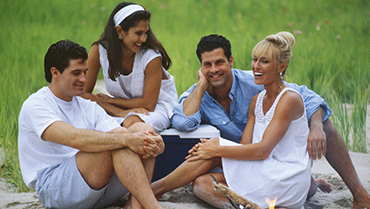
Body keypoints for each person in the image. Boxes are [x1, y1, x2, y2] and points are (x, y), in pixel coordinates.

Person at [169, 34, 370, 208]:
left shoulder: (256, 82)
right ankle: (295, 191)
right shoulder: (199, 94)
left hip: (271, 156)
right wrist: (201, 85)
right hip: (250, 159)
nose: (214, 70)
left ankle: (359, 193)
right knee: (202, 183)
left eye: (219, 62)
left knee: (324, 124)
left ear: (230, 61)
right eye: (207, 65)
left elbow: (309, 98)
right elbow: (183, 123)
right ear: (201, 68)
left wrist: (316, 126)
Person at [153, 31, 311, 208]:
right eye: (254, 59)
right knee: (203, 184)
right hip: (264, 168)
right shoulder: (257, 100)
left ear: (282, 66)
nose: (256, 66)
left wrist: (215, 149)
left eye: (264, 61)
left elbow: (263, 150)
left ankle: (153, 190)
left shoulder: (289, 98)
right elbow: (243, 148)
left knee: (214, 147)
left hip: (286, 175)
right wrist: (213, 149)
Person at [18, 40, 164, 209]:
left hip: (98, 189)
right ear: (55, 72)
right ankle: (153, 207)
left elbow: (121, 133)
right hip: (56, 189)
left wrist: (151, 142)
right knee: (117, 142)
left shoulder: (87, 105)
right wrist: (129, 140)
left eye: (85, 72)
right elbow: (74, 138)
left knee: (143, 129)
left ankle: (136, 206)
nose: (84, 79)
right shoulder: (36, 105)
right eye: (76, 73)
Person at [83, 2, 178, 132]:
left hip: (156, 108)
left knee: (133, 124)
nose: (144, 39)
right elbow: (82, 92)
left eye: (146, 33)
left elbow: (149, 104)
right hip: (121, 109)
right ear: (120, 31)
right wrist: (116, 110)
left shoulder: (151, 57)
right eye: (138, 33)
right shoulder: (99, 50)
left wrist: (111, 101)